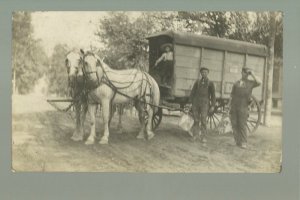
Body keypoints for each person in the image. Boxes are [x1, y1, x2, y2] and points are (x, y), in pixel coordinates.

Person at [230, 67, 261, 149]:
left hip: (243, 107)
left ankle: (244, 142)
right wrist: (229, 106)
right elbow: (232, 95)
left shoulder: (251, 83)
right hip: (234, 106)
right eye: (245, 72)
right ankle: (237, 141)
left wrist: (252, 74)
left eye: (248, 73)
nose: (246, 74)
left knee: (242, 124)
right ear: (242, 73)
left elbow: (259, 82)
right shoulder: (236, 83)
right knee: (234, 124)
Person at [189, 67, 216, 143]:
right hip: (196, 103)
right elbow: (192, 93)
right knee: (196, 120)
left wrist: (213, 106)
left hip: (205, 104)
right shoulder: (197, 82)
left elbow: (213, 95)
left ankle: (204, 137)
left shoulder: (210, 83)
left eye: (205, 72)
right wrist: (190, 103)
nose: (204, 73)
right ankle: (195, 136)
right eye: (202, 72)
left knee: (203, 120)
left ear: (208, 73)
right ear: (200, 73)